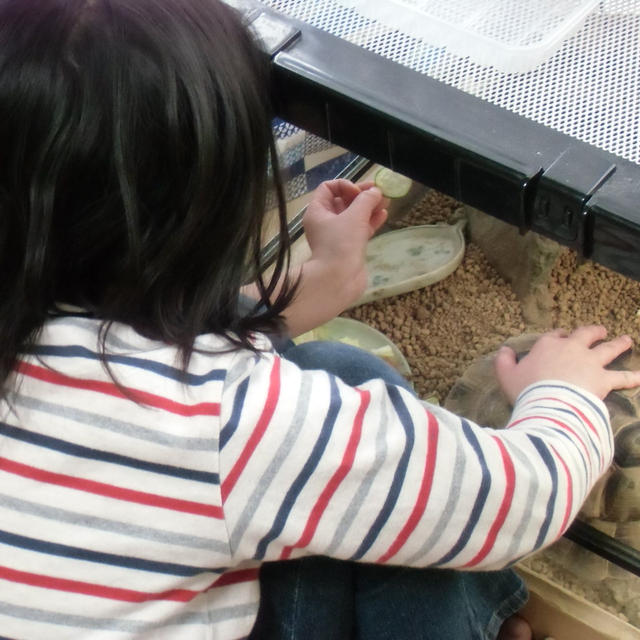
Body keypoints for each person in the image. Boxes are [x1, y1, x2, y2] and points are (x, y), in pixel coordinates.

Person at [0, 1, 638, 639]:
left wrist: (327, 278)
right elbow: (517, 501)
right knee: (392, 475)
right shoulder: (232, 424)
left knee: (336, 370)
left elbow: (149, 339)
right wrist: (565, 393)